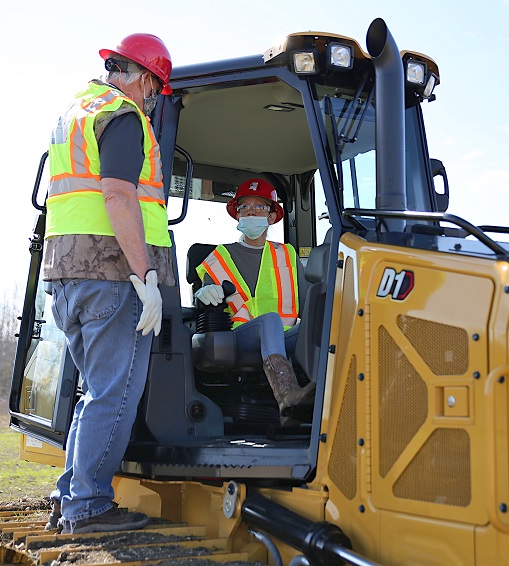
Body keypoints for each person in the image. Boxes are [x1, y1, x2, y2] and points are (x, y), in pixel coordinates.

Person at [41, 33, 175, 535]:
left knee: (96, 392)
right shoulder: (123, 115)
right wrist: (144, 279)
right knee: (116, 392)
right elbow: (119, 195)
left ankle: (69, 498)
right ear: (144, 78)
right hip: (110, 275)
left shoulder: (76, 110)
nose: (153, 99)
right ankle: (88, 506)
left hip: (67, 272)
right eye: (156, 90)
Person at [194, 178, 315, 426]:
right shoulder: (220, 256)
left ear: (271, 217)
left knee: (322, 324)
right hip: (241, 335)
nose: (251, 211)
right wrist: (203, 294)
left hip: (283, 336)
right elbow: (206, 295)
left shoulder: (287, 254)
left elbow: (308, 303)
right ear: (237, 215)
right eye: (244, 206)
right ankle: (287, 396)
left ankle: (324, 395)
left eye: (259, 206)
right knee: (268, 320)